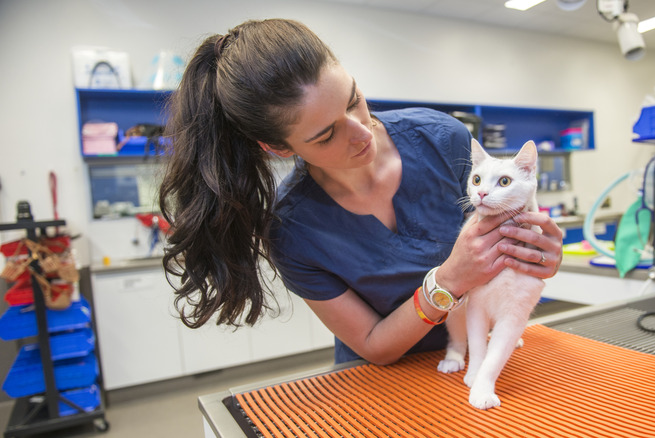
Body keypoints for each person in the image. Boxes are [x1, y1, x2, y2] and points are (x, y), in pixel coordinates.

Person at [159, 18, 563, 365]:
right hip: (377, 386)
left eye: (353, 100)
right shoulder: (292, 229)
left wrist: (535, 253)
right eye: (326, 134)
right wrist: (447, 280)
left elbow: (502, 248)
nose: (360, 132)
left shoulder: (443, 140)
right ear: (279, 148)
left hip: (483, 355)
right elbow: (374, 346)